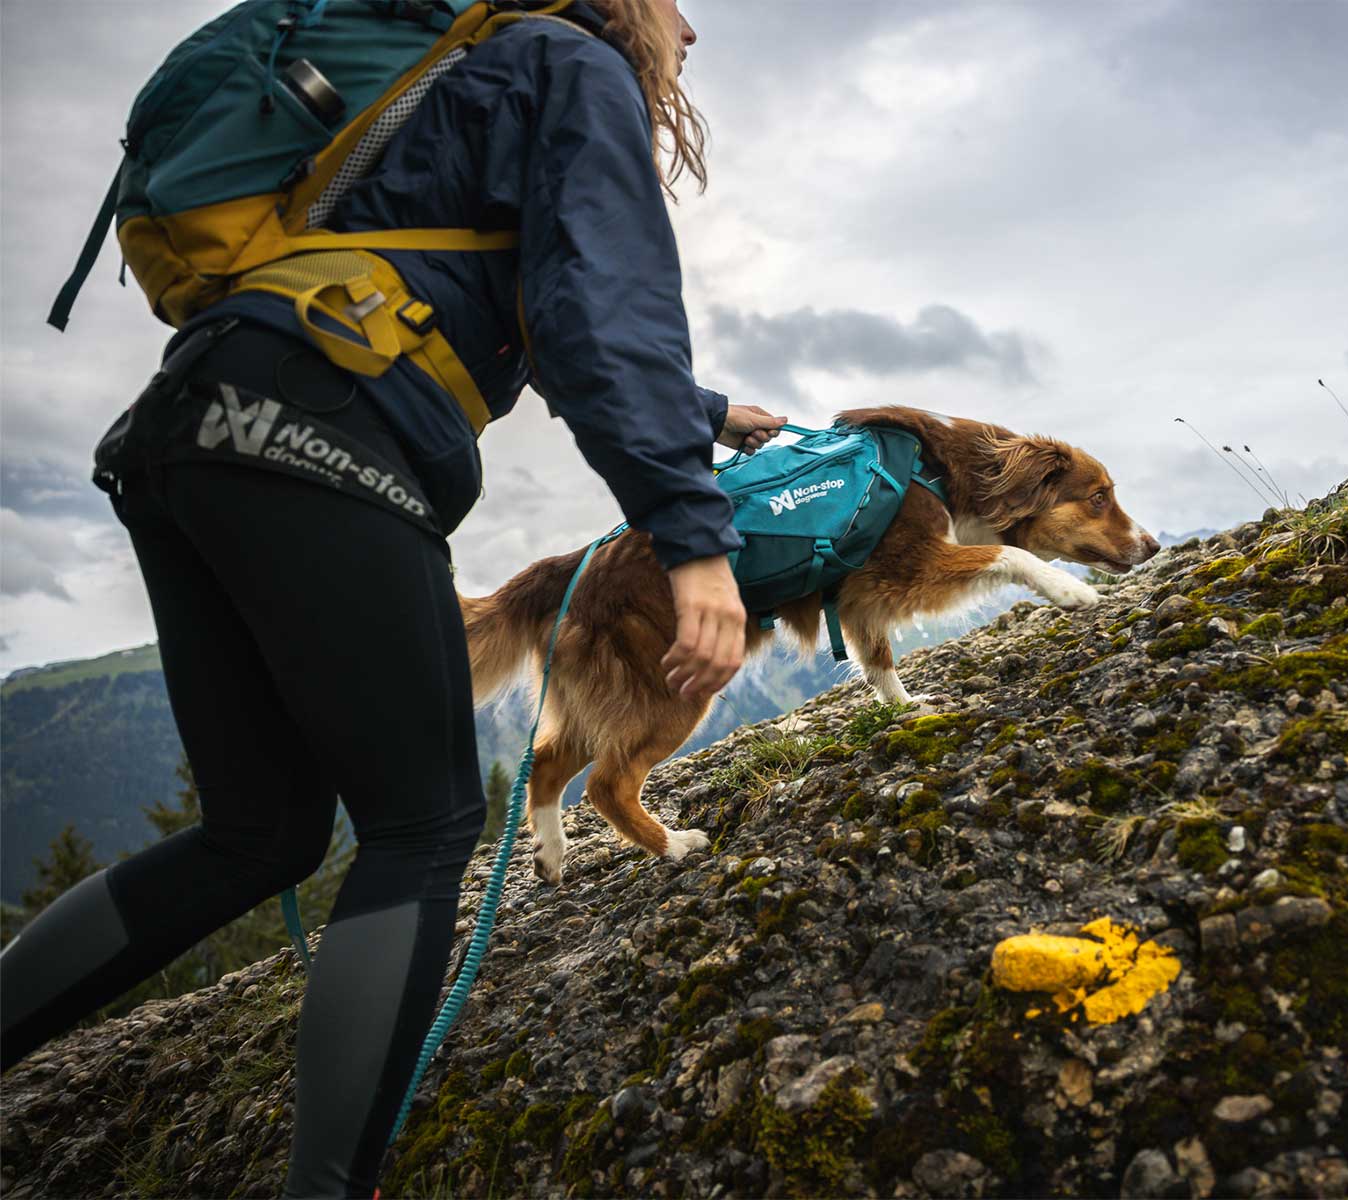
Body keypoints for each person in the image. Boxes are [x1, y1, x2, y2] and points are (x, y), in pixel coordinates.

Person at [0, 1, 780, 1194]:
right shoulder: (570, 63)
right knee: (421, 826)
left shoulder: (451, 80)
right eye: (677, 0)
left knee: (257, 834)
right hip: (318, 425)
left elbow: (499, 286)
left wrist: (702, 410)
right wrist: (693, 538)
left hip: (191, 426)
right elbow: (599, 307)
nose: (693, 28)